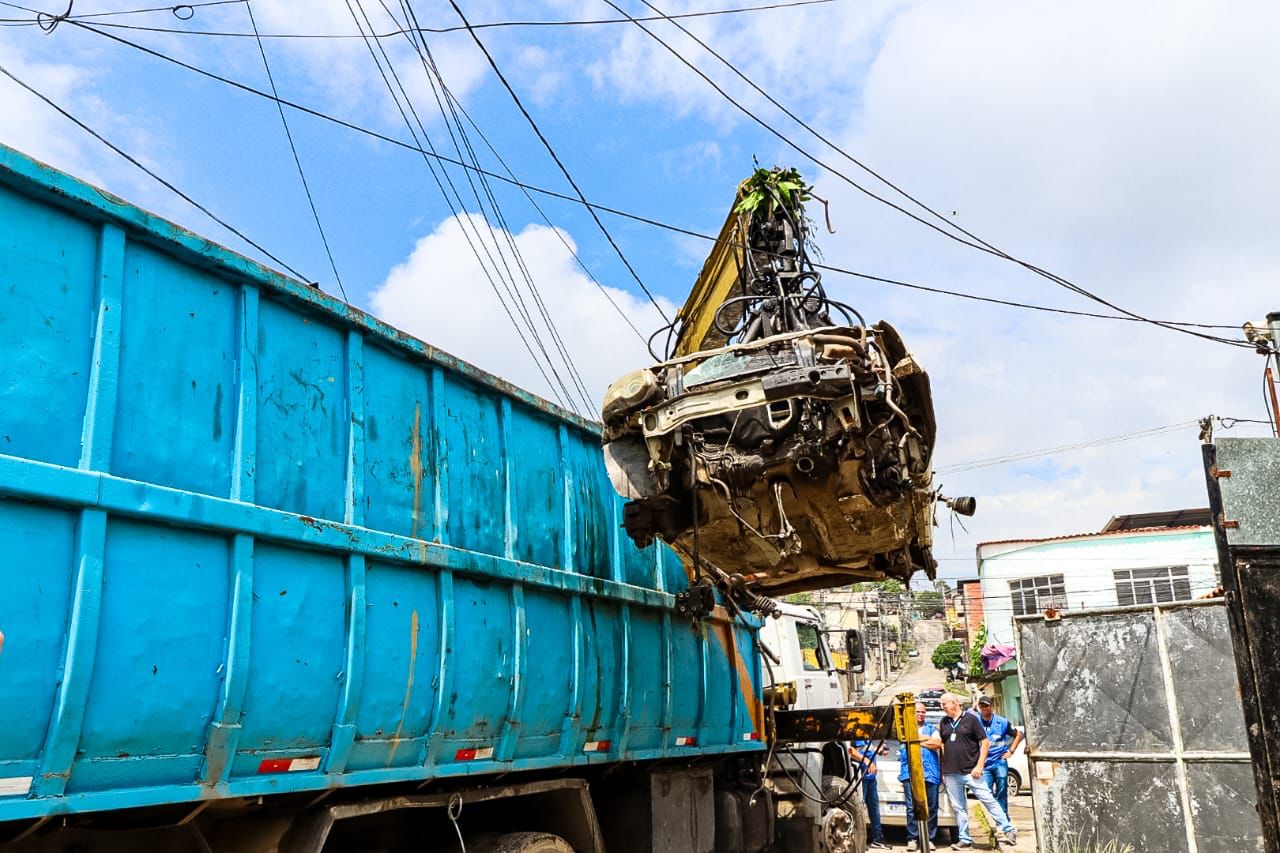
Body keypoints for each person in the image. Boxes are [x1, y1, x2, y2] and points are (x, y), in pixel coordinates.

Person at [938, 692, 1017, 849]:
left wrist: (980, 765)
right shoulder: (944, 722)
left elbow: (985, 742)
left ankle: (1008, 829)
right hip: (951, 773)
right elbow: (942, 745)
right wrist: (943, 769)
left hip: (971, 771)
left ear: (954, 703)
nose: (942, 706)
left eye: (944, 703)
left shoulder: (971, 719)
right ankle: (965, 839)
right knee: (959, 807)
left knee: (988, 800)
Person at [899, 701, 943, 851]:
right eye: (918, 712)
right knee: (911, 807)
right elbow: (904, 741)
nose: (920, 714)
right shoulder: (905, 729)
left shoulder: (932, 728)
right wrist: (925, 740)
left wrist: (916, 740)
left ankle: (930, 838)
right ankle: (912, 838)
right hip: (909, 773)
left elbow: (937, 743)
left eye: (923, 712)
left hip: (930, 772)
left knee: (931, 806)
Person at [975, 695, 1023, 816]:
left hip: (999, 761)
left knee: (1002, 789)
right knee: (986, 792)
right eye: (981, 706)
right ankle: (996, 814)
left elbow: (1019, 735)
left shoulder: (1002, 722)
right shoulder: (975, 722)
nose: (984, 708)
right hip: (984, 764)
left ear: (991, 706)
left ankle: (1003, 816)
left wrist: (1011, 751)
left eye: (986, 705)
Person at [851, 739, 890, 849]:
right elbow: (851, 751)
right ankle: (857, 839)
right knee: (858, 808)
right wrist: (866, 761)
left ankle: (877, 838)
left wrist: (880, 750)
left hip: (871, 778)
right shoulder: (855, 733)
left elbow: (867, 751)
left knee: (874, 808)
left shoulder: (868, 737)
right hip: (860, 776)